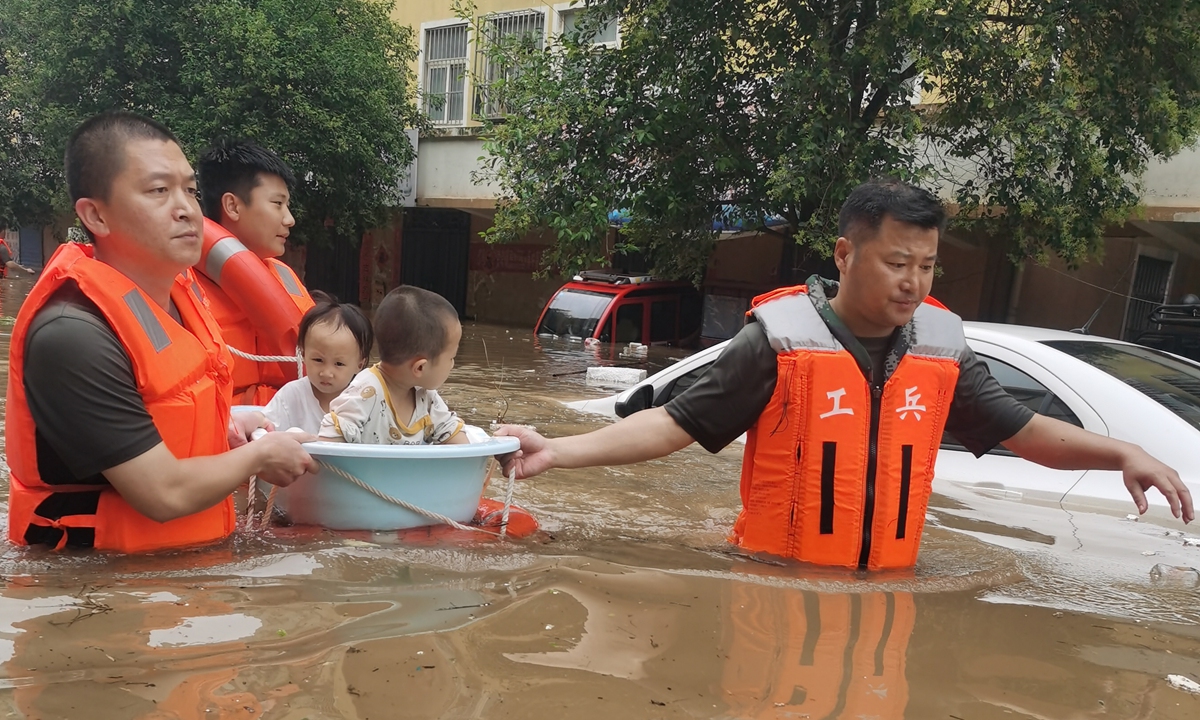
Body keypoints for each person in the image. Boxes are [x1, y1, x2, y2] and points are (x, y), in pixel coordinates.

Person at [497, 179, 1194, 570]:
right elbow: (674, 422)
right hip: (775, 576)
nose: (914, 282)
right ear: (845, 254)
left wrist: (1123, 452)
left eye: (927, 266)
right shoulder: (776, 341)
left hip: (890, 582)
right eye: (898, 262)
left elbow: (1022, 429)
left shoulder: (943, 350)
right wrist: (558, 450)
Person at [5, 111, 314, 552]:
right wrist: (260, 456)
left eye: (189, 189)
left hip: (188, 572)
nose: (187, 208)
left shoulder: (183, 300)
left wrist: (230, 422)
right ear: (96, 215)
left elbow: (167, 412)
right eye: (158, 191)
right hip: (98, 593)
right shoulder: (72, 334)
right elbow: (161, 492)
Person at [195, 139, 315, 405]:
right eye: (277, 203)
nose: (289, 219)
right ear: (233, 206)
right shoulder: (180, 286)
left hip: (292, 430)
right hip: (226, 438)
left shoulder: (284, 275)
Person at [319, 285, 467, 445]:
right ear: (420, 368)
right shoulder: (366, 393)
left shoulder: (426, 397)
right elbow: (328, 444)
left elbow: (452, 434)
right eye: (451, 358)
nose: (452, 365)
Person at [263, 290, 373, 434]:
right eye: (318, 360)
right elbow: (265, 428)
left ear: (360, 364)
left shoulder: (366, 400)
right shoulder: (291, 396)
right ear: (303, 354)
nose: (326, 373)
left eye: (339, 364)